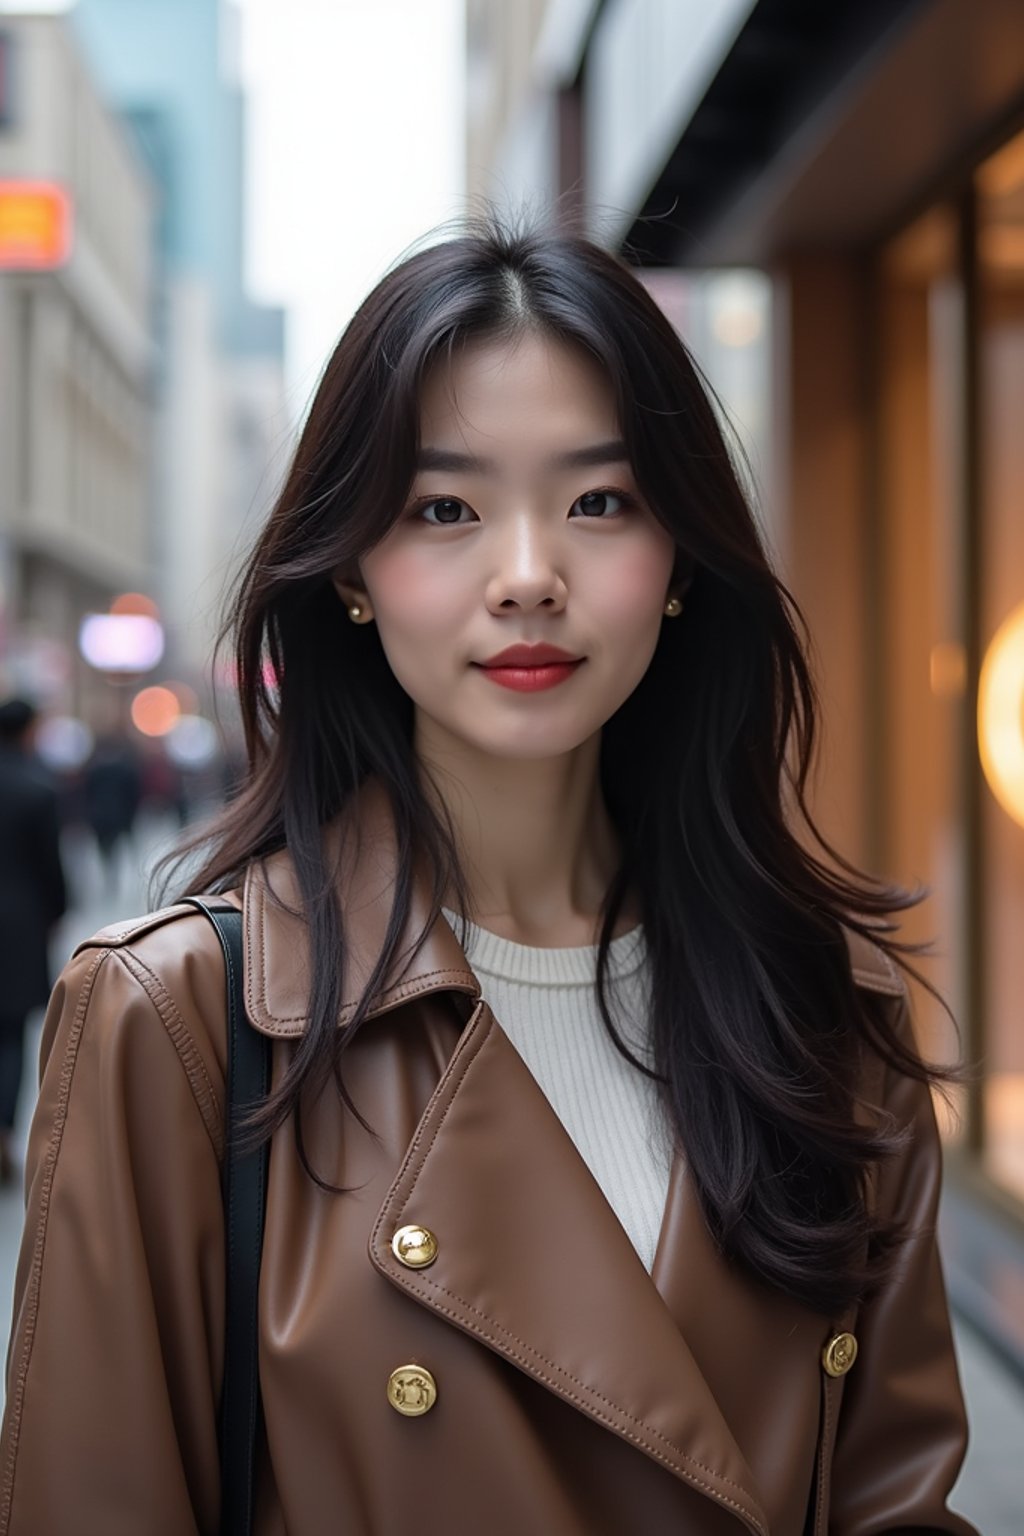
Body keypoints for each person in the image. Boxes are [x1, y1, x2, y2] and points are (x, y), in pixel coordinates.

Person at [0, 215, 978, 1535]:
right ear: (351, 569)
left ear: (680, 559)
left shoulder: (826, 1010)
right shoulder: (177, 1023)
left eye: (600, 501)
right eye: (445, 509)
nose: (528, 577)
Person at [0, 697, 67, 1186]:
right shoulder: (37, 790)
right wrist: (55, 912)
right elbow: (53, 874)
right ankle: (3, 1131)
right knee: (11, 1036)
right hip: (18, 931)